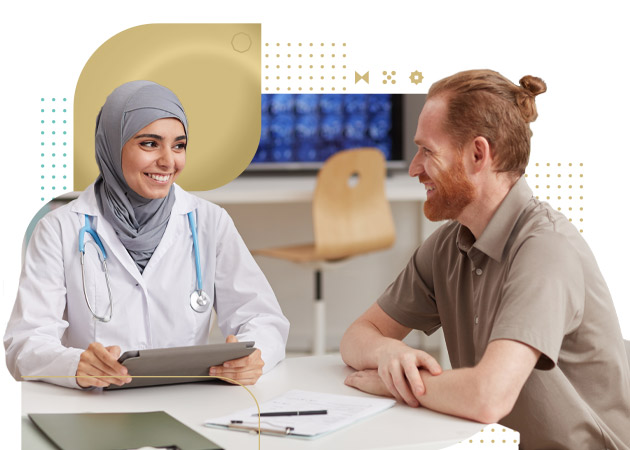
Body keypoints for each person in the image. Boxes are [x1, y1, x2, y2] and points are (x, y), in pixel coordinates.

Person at [340, 70, 630, 449]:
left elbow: (489, 397)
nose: (413, 167)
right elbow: (357, 337)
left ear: (478, 154)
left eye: (427, 150)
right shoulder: (448, 246)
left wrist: (396, 384)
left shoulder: (545, 250)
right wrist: (389, 352)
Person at [4, 80, 289, 389]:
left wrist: (253, 356)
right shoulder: (59, 229)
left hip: (189, 400)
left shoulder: (209, 221)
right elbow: (25, 343)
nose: (169, 161)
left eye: (179, 145)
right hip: (99, 408)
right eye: (150, 144)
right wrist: (75, 366)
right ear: (112, 145)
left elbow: (263, 318)